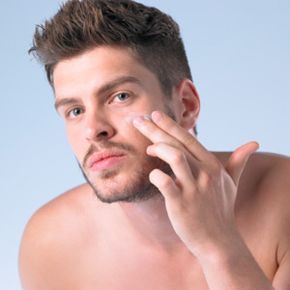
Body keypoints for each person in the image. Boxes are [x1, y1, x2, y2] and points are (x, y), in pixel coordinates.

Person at [19, 0, 290, 289]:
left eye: (120, 96)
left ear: (186, 105)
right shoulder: (50, 246)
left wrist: (219, 248)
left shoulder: (283, 201)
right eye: (75, 111)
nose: (93, 129)